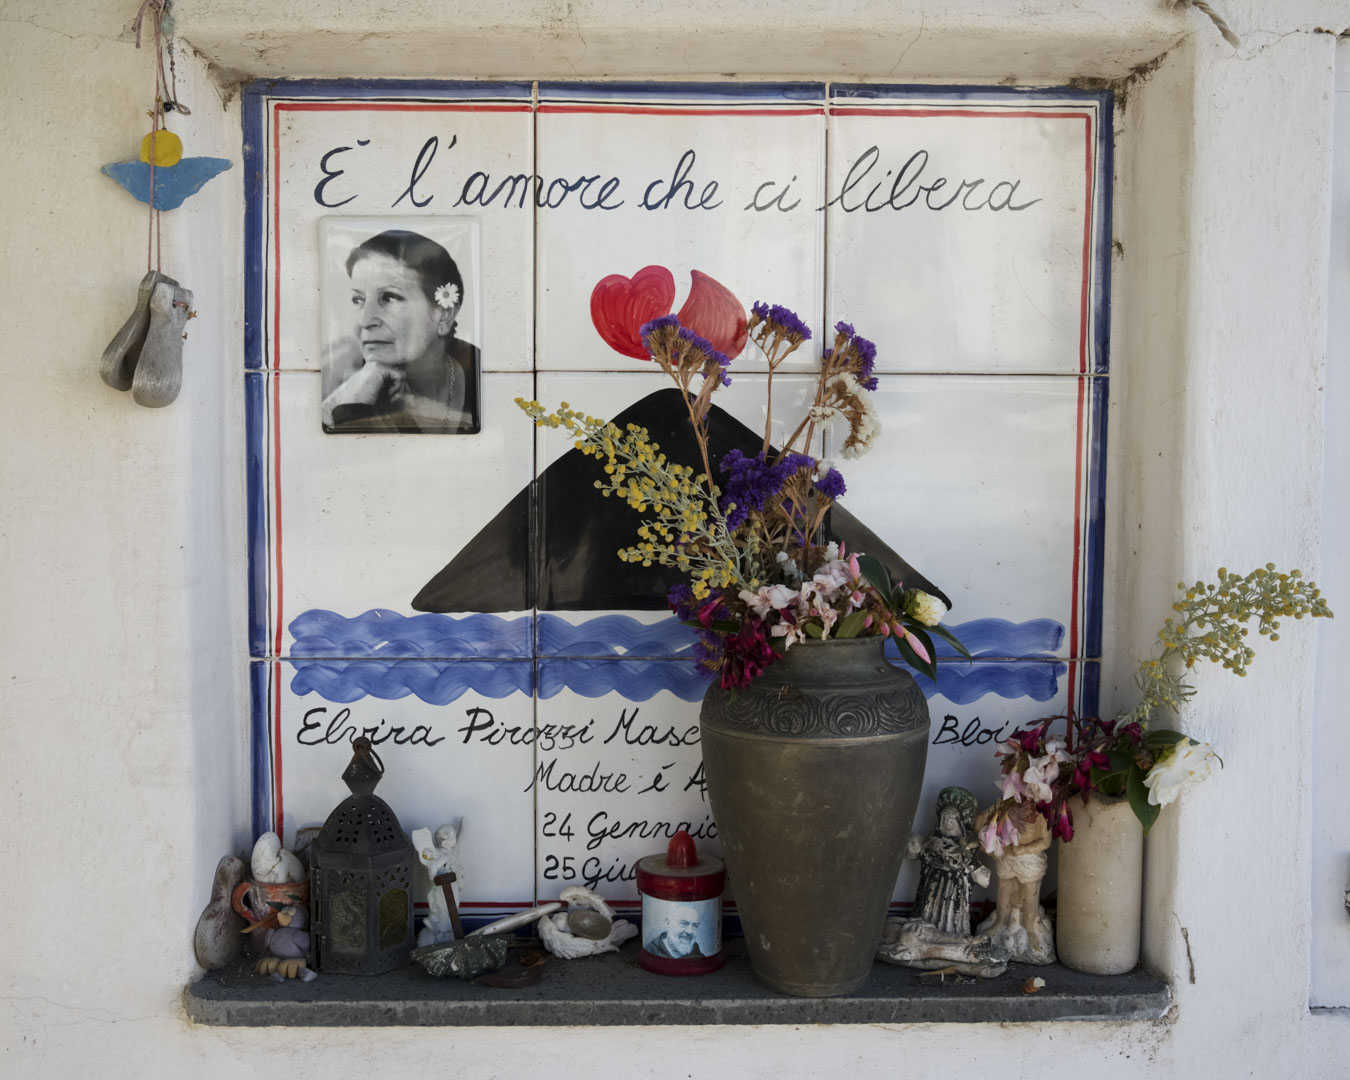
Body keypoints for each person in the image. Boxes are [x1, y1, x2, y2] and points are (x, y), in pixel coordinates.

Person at [322, 229, 480, 434]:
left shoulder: (484, 374)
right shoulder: (334, 382)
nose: (365, 320)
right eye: (358, 300)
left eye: (389, 297)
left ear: (444, 314)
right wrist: (353, 408)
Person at [905, 786, 989, 935]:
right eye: (945, 818)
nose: (948, 822)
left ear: (959, 822)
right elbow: (917, 852)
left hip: (954, 887)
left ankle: (952, 934)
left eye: (952, 819)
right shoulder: (932, 841)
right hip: (932, 884)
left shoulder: (967, 846)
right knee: (927, 912)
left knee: (950, 916)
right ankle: (922, 932)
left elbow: (977, 871)